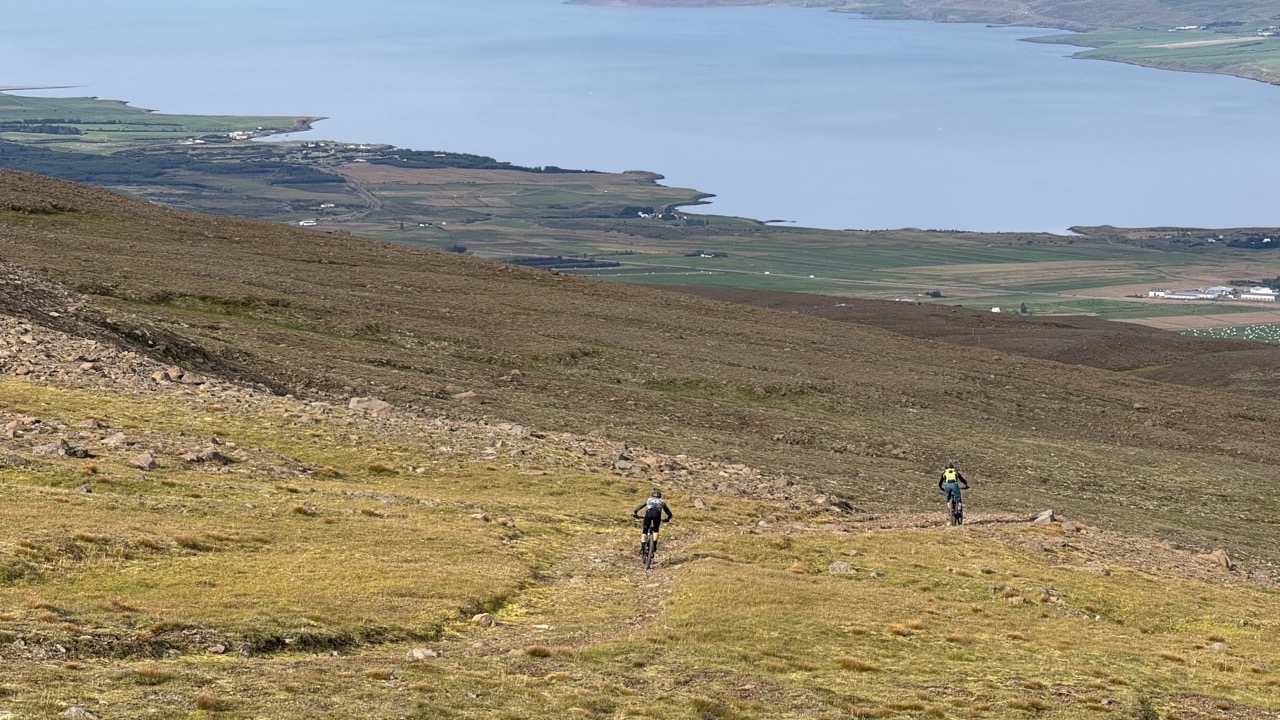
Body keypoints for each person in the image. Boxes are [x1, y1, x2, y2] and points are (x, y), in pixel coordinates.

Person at [633, 488, 673, 556]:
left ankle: (643, 547)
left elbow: (639, 507)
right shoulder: (662, 502)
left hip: (649, 514)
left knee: (645, 531)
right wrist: (667, 518)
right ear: (660, 496)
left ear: (652, 495)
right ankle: (654, 546)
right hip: (657, 515)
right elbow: (669, 513)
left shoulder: (649, 499)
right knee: (655, 530)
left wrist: (635, 513)